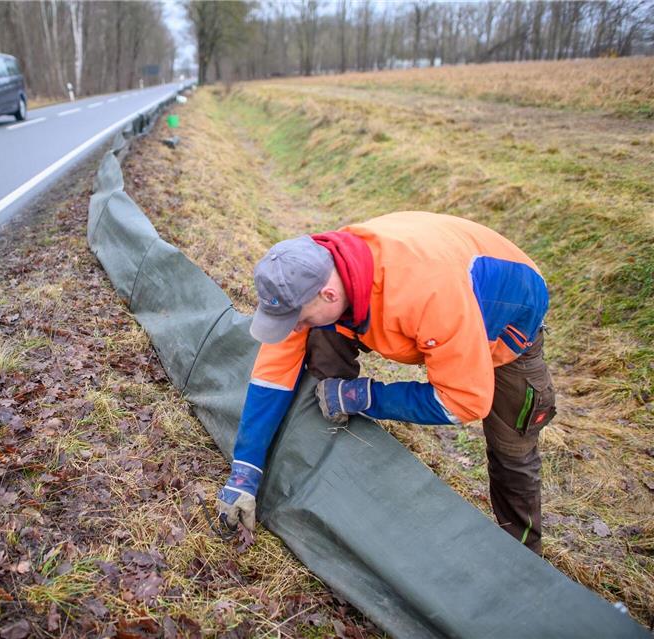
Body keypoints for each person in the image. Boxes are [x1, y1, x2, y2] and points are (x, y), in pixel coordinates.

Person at [216, 211, 556, 554]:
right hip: (431, 285)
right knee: (318, 335)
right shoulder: (312, 273)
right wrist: (245, 470)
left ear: (330, 295)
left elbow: (464, 401)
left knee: (512, 450)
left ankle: (524, 558)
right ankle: (327, 456)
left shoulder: (428, 295)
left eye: (297, 319)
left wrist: (363, 396)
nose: (293, 328)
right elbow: (273, 375)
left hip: (505, 323)